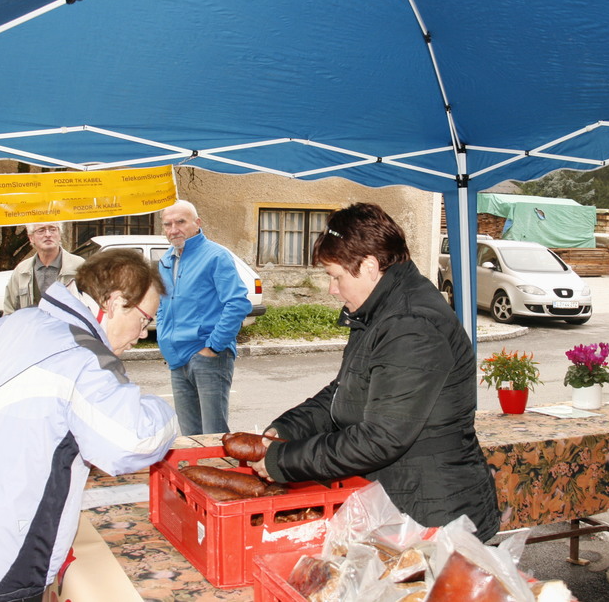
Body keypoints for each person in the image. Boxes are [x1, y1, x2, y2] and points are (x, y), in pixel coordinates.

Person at [0, 249, 177, 602]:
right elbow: (131, 443)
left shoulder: (4, 326)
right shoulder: (83, 357)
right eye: (144, 320)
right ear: (114, 303)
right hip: (3, 551)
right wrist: (165, 412)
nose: (142, 334)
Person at [252, 202, 500, 537]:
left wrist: (284, 460)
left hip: (433, 513)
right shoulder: (381, 310)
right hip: (401, 501)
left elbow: (381, 438)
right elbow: (345, 392)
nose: (332, 289)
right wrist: (287, 429)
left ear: (369, 266)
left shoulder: (411, 324)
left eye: (336, 276)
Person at [156, 200, 250, 435]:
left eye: (180, 222)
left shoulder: (216, 256)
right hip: (177, 359)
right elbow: (162, 305)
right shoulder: (166, 260)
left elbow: (237, 303)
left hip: (208, 356)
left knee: (213, 434)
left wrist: (213, 347)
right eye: (167, 224)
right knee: (190, 437)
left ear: (197, 223)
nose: (173, 229)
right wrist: (164, 340)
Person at [2, 222, 84, 314]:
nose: (48, 234)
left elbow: (92, 309)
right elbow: (9, 311)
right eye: (41, 230)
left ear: (59, 235)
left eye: (52, 229)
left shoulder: (79, 267)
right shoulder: (21, 271)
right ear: (31, 238)